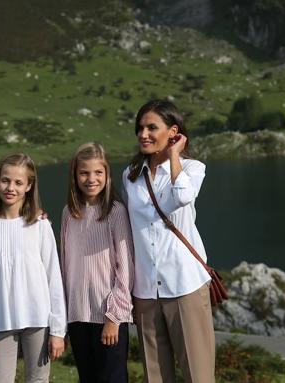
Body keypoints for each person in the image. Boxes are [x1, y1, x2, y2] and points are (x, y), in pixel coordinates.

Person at [122, 99, 215, 383]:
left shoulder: (192, 168)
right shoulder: (130, 175)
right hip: (146, 290)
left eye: (152, 127)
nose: (143, 134)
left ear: (173, 132)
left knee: (197, 376)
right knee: (155, 377)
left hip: (185, 285)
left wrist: (175, 155)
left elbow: (182, 196)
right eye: (140, 128)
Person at [0, 153, 66, 383]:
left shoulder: (40, 226)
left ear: (29, 186)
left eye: (18, 182)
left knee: (38, 380)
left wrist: (58, 330)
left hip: (38, 319)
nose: (10, 187)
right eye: (5, 180)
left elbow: (54, 277)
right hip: (0, 319)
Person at [60, 142, 135, 383]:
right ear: (75, 175)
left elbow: (126, 270)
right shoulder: (68, 213)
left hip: (108, 316)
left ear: (107, 174)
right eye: (84, 172)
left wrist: (114, 317)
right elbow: (64, 266)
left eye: (98, 172)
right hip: (77, 316)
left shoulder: (115, 211)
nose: (91, 179)